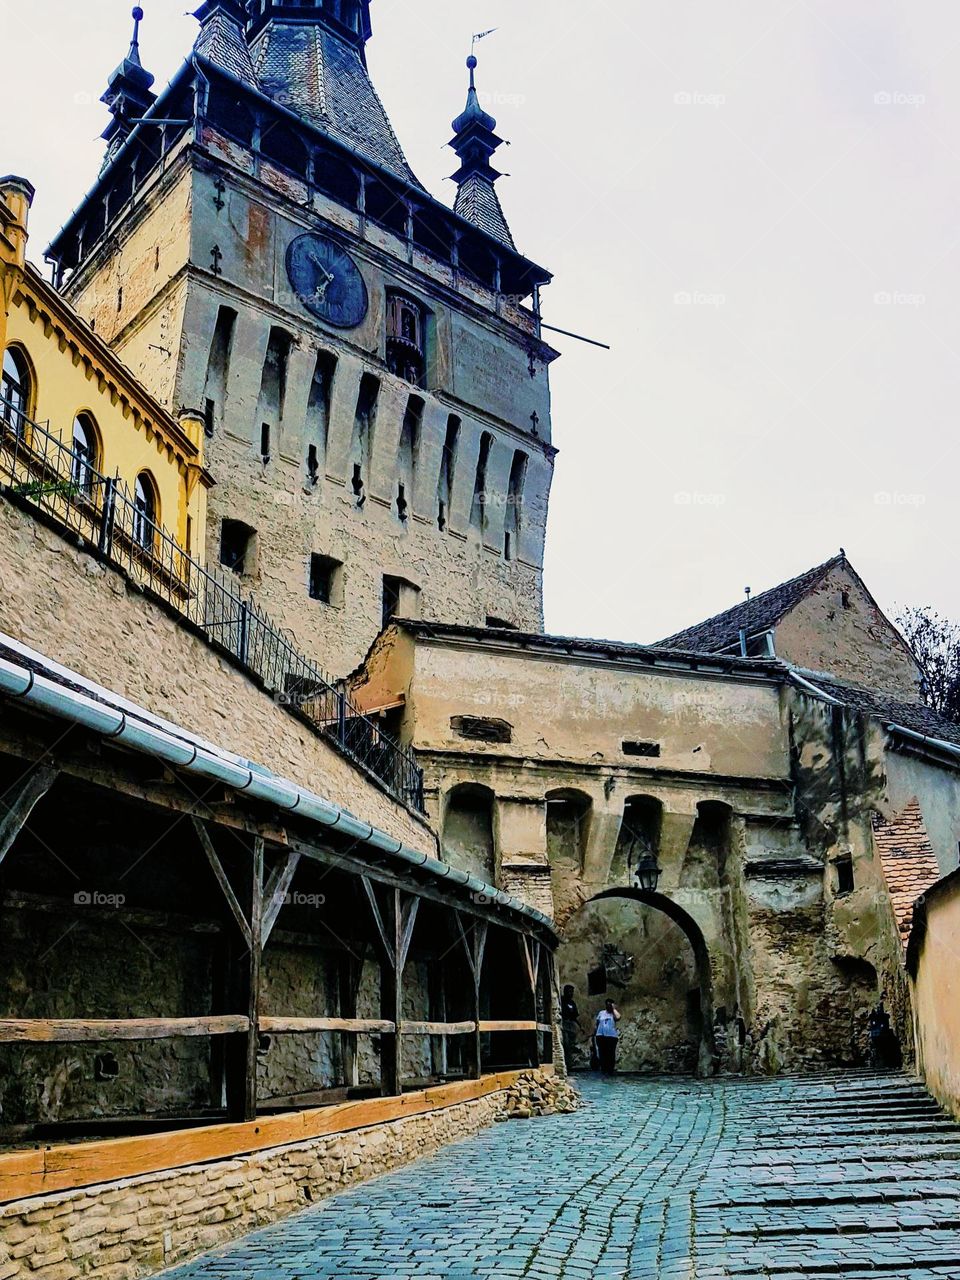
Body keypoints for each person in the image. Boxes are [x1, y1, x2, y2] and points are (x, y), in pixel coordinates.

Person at [594, 999, 621, 1075]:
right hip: (600, 1036)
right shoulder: (601, 1013)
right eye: (607, 1004)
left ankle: (610, 1071)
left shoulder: (614, 1013)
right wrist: (595, 1033)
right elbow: (597, 1023)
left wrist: (613, 1009)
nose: (608, 1006)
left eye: (610, 1004)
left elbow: (618, 1017)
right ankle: (603, 1070)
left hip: (611, 1036)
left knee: (611, 1054)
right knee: (602, 1053)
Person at [560, 984, 579, 1070]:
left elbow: (575, 1016)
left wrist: (580, 1026)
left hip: (571, 1025)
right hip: (564, 1023)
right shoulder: (561, 1001)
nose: (571, 993)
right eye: (569, 991)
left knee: (571, 1046)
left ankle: (569, 1064)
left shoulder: (572, 1003)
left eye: (572, 992)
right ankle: (565, 1064)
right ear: (565, 992)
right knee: (566, 1044)